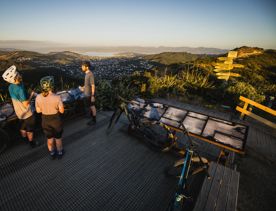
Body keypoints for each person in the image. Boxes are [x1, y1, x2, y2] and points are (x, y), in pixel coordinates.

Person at [2, 65, 36, 148]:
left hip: (19, 112)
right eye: (17, 74)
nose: (19, 74)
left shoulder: (11, 87)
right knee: (30, 129)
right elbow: (25, 103)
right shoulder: (19, 89)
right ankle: (32, 143)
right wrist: (31, 95)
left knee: (23, 127)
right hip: (27, 112)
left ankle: (25, 140)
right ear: (14, 78)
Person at [35, 76, 65, 159]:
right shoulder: (57, 97)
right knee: (58, 138)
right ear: (52, 86)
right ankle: (60, 152)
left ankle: (52, 153)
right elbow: (62, 111)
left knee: (49, 139)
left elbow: (38, 111)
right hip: (55, 120)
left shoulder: (38, 97)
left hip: (45, 120)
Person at [79, 61, 96, 125]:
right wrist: (83, 88)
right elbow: (87, 84)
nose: (82, 67)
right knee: (90, 106)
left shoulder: (90, 74)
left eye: (83, 66)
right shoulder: (86, 74)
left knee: (92, 106)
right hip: (86, 93)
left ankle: (94, 120)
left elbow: (93, 85)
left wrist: (92, 96)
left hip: (89, 94)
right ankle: (91, 117)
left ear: (87, 67)